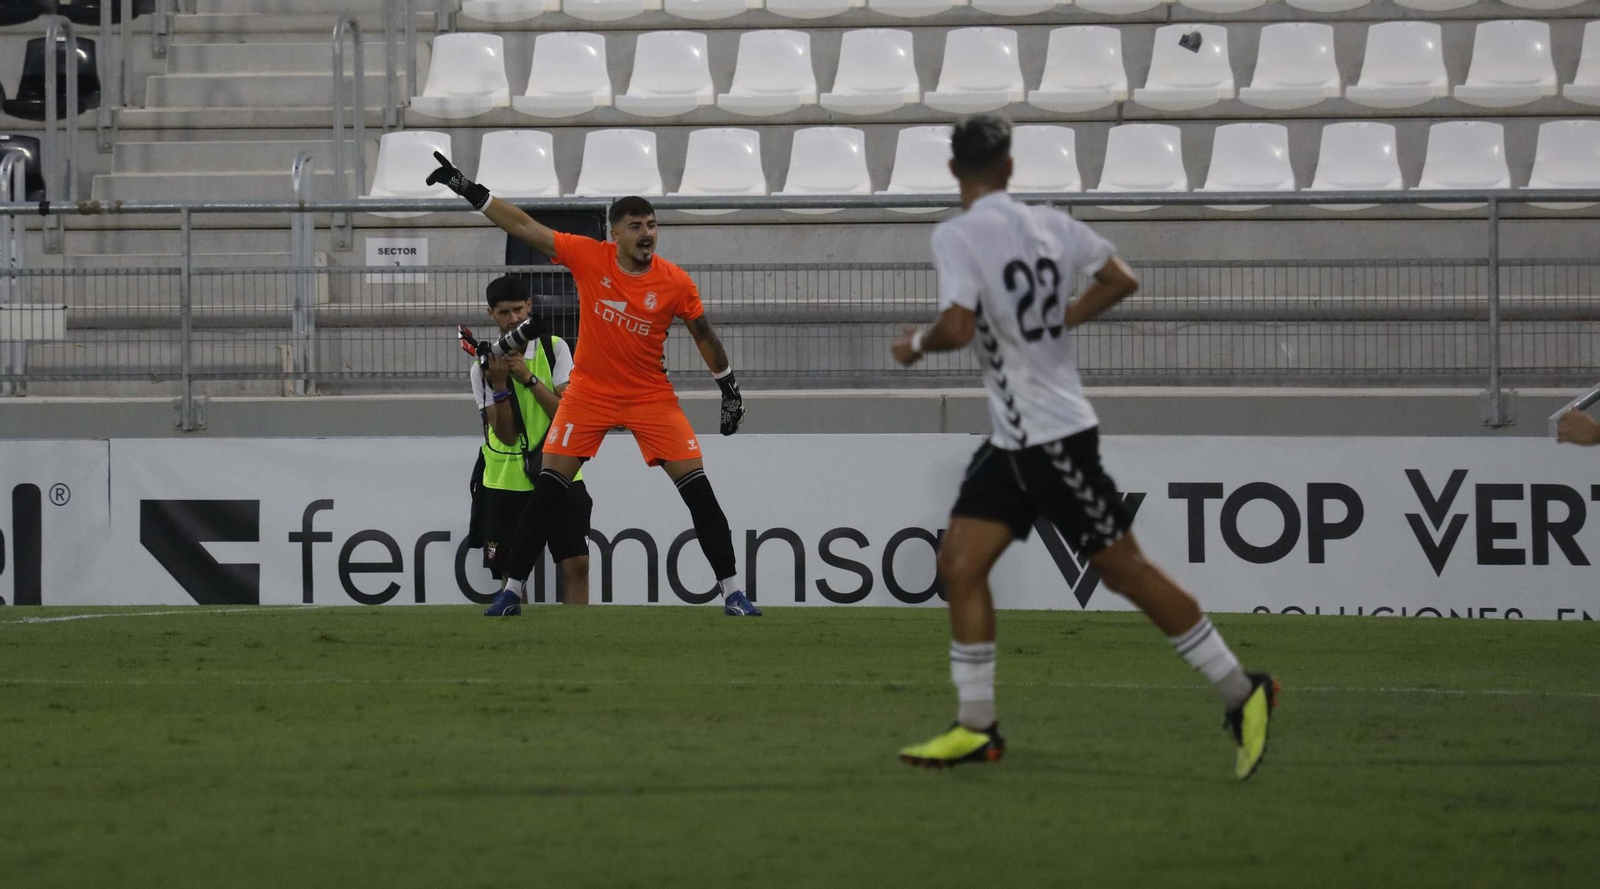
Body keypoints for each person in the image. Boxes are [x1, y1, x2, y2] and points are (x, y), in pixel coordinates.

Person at [890, 114, 1278, 779]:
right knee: (958, 563)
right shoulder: (1054, 225)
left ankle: (1244, 691)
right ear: (1009, 167)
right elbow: (1122, 277)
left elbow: (957, 325)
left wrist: (915, 345)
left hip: (1051, 438)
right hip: (1016, 439)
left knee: (1123, 568)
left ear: (954, 171)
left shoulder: (956, 234)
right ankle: (977, 725)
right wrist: (1064, 317)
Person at [427, 152, 762, 617]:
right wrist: (469, 189)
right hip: (588, 393)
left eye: (652, 224)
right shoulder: (589, 257)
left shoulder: (676, 283)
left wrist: (729, 389)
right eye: (636, 225)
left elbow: (704, 335)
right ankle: (511, 592)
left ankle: (733, 593)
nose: (647, 233)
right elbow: (524, 227)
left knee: (700, 492)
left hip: (650, 397)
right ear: (615, 233)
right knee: (546, 492)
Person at [468, 276, 592, 614]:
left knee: (576, 561)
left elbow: (567, 414)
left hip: (560, 470)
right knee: (511, 573)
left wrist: (528, 378)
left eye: (518, 310)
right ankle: (514, 642)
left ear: (530, 307)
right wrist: (500, 385)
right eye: (504, 312)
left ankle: (577, 634)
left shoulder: (554, 349)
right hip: (505, 480)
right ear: (491, 313)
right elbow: (505, 435)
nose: (512, 319)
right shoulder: (482, 367)